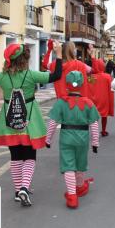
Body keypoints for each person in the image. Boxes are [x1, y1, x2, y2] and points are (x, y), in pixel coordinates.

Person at [0, 42, 63, 207]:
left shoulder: (2, 76)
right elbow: (56, 75)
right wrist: (58, 54)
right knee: (29, 155)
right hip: (30, 119)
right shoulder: (30, 75)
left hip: (9, 120)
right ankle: (24, 187)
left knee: (15, 156)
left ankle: (17, 191)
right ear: (24, 59)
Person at [46, 71, 100, 209]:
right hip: (83, 138)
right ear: (82, 85)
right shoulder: (88, 103)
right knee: (80, 163)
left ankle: (72, 196)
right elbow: (94, 124)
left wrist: (48, 139)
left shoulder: (61, 103)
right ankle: (80, 187)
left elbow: (52, 122)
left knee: (68, 165)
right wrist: (95, 142)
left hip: (66, 138)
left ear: (67, 85)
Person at [88, 58, 114, 136]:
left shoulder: (91, 77)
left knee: (93, 116)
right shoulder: (107, 76)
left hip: (93, 99)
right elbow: (111, 89)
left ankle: (94, 131)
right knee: (104, 116)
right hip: (104, 99)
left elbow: (89, 88)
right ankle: (103, 131)